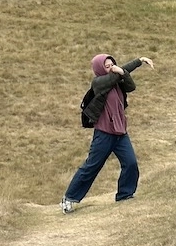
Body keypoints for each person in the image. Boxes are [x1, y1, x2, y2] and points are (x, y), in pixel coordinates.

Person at [62, 53, 154, 213]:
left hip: (120, 133)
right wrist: (123, 70)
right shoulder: (98, 83)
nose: (111, 68)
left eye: (112, 64)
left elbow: (131, 86)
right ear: (99, 69)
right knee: (91, 166)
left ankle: (125, 194)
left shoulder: (118, 81)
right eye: (107, 66)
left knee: (131, 163)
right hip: (104, 134)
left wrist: (138, 62)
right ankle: (69, 198)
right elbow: (114, 76)